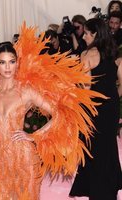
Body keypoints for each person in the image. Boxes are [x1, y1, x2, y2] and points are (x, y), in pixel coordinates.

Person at [0, 25, 105, 199]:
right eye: (2, 62)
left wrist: (34, 135)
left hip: (24, 158)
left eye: (11, 61)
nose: (7, 67)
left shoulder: (26, 91)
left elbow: (60, 112)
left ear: (17, 63)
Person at [69, 18, 122, 200]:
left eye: (86, 33)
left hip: (94, 110)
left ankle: (98, 192)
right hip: (112, 108)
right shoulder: (114, 53)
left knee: (94, 151)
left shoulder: (86, 55)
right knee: (109, 148)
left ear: (95, 34)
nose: (83, 36)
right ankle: (110, 191)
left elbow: (85, 89)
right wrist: (113, 97)